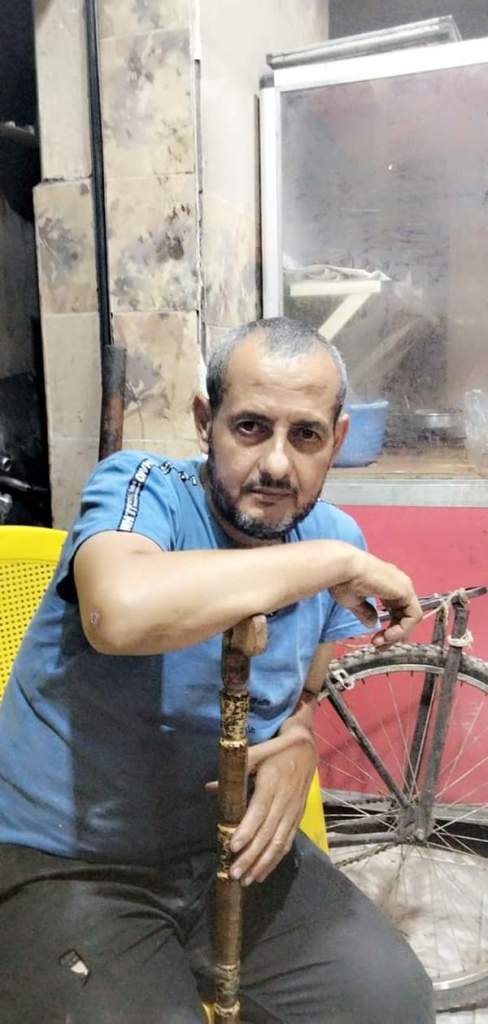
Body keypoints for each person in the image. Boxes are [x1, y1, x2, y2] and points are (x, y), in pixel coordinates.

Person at [0, 317, 434, 1024]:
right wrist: (330, 564)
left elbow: (304, 690)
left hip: (226, 850)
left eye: (306, 436)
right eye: (251, 427)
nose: (277, 465)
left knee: (390, 1001)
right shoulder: (144, 487)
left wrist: (298, 742)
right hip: (67, 859)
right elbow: (119, 612)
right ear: (206, 421)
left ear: (337, 440)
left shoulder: (334, 535)